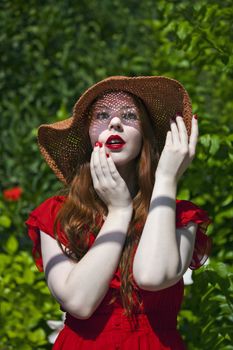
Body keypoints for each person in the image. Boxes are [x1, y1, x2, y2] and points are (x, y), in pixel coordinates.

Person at [25, 76, 212, 349]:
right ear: (88, 136)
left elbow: (152, 275)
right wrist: (119, 211)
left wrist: (166, 180)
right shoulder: (56, 214)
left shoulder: (179, 216)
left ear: (146, 135)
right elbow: (79, 302)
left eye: (129, 115)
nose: (115, 123)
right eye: (102, 115)